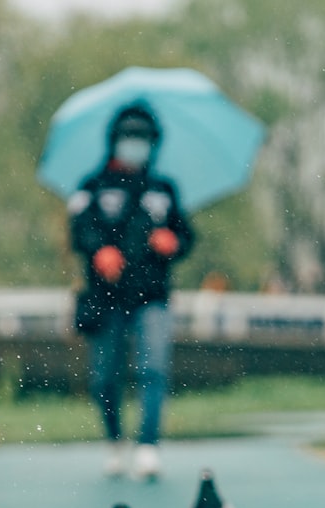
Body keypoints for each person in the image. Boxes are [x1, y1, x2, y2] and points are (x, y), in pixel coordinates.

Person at [68, 102, 195, 479]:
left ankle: (148, 445)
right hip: (106, 297)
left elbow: (186, 235)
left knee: (153, 368)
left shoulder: (164, 188)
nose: (134, 146)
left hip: (152, 296)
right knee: (104, 377)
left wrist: (172, 242)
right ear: (114, 140)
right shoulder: (91, 186)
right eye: (128, 138)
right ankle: (114, 440)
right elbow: (78, 230)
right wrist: (99, 251)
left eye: (141, 139)